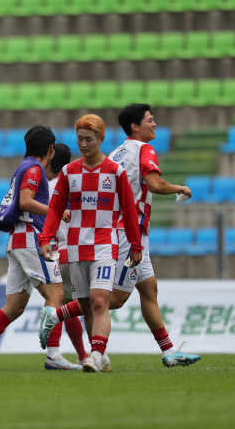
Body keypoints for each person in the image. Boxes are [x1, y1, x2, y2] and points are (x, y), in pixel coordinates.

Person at [39, 104, 200, 367]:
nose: (154, 124)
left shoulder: (116, 153)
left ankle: (168, 351)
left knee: (149, 290)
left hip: (125, 231)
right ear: (135, 126)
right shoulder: (143, 149)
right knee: (112, 299)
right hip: (128, 232)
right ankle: (56, 317)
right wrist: (180, 188)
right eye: (150, 120)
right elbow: (155, 184)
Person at [0, 126, 71, 371]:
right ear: (51, 149)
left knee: (15, 306)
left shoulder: (24, 165)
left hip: (17, 240)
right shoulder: (34, 168)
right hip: (31, 238)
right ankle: (54, 356)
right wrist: (57, 211)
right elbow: (25, 202)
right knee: (56, 296)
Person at [38, 114, 143, 373]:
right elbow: (54, 209)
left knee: (99, 302)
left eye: (88, 139)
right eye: (79, 139)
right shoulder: (68, 172)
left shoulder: (116, 172)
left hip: (106, 245)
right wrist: (45, 239)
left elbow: (129, 211)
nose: (83, 144)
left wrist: (136, 245)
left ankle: (94, 356)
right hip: (75, 248)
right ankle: (102, 357)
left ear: (101, 139)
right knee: (85, 305)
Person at [43, 143, 89, 368]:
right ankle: (84, 355)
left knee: (63, 305)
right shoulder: (78, 180)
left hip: (61, 251)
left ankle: (63, 354)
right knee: (74, 305)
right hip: (82, 250)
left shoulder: (50, 186)